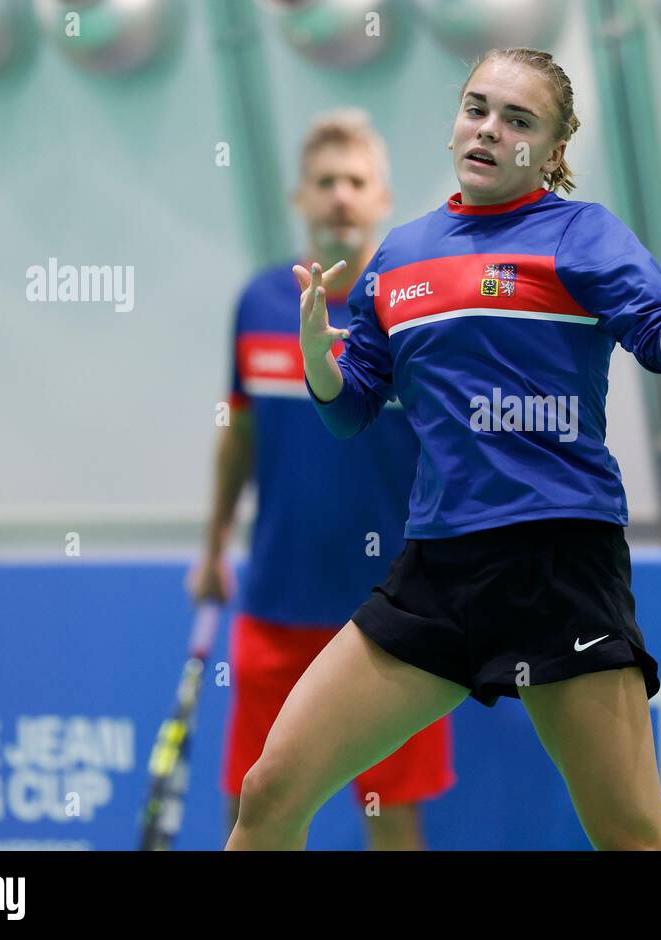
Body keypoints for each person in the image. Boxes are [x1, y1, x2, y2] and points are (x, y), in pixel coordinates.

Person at [226, 48, 661, 852]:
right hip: (438, 568)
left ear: (551, 151)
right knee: (270, 791)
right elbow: (350, 410)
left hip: (559, 563)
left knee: (632, 834)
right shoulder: (400, 256)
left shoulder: (583, 235)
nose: (489, 129)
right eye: (477, 107)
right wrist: (318, 367)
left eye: (518, 120)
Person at [191, 110, 454, 851]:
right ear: (298, 199)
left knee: (391, 814)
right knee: (258, 804)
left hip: (395, 611)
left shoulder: (417, 308)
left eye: (356, 182)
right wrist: (212, 548)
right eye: (325, 182)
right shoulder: (259, 305)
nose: (341, 195)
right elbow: (238, 434)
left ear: (382, 199)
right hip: (277, 603)